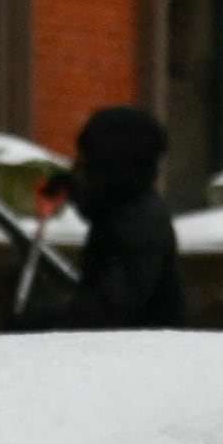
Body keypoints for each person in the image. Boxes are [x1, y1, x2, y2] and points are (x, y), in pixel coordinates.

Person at [40, 104, 186, 331]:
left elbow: (110, 308)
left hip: (140, 352)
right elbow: (101, 205)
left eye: (86, 160)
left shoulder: (139, 225)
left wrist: (39, 324)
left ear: (109, 163)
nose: (79, 166)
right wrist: (71, 188)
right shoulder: (128, 206)